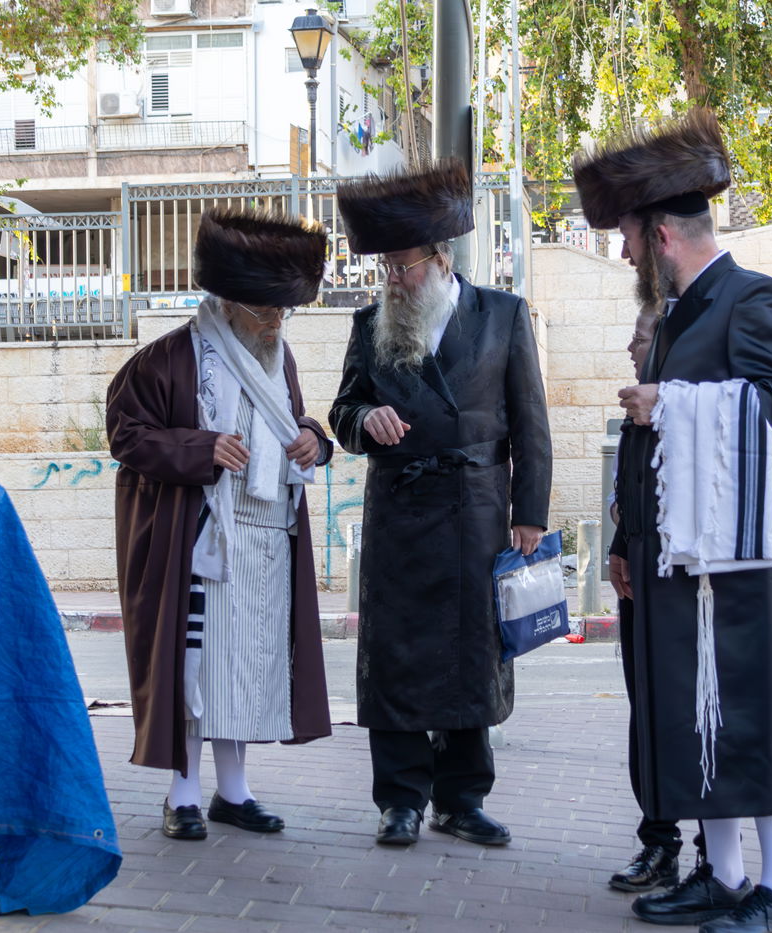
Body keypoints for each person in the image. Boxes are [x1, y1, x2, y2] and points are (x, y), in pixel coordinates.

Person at [574, 109, 772, 932]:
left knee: (753, 713)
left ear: (665, 233)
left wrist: (667, 400)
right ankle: (726, 877)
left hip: (739, 564)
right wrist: (624, 541)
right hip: (677, 557)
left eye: (632, 238)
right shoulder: (675, 315)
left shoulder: (756, 298)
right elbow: (651, 449)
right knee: (695, 712)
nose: (627, 253)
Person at [328, 159, 552, 848]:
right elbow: (342, 409)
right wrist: (364, 421)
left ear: (441, 257)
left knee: (468, 652)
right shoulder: (371, 324)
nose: (394, 280)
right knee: (395, 655)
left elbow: (531, 423)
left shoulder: (503, 316)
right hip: (398, 509)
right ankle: (400, 798)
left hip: (477, 509)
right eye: (387, 270)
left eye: (404, 267)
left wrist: (530, 513)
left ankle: (461, 796)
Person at [107, 209, 332, 841]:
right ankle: (183, 794)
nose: (277, 322)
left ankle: (234, 792)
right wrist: (201, 450)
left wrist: (315, 439)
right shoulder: (165, 359)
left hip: (265, 541)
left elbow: (294, 422)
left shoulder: (276, 356)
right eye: (267, 310)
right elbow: (127, 435)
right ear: (229, 300)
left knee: (246, 669)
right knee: (195, 669)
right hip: (200, 540)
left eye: (283, 311)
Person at [608, 311, 698, 894]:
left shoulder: (690, 411)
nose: (631, 345)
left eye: (640, 336)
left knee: (688, 715)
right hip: (639, 579)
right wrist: (618, 547)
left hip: (686, 588)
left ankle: (717, 851)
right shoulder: (637, 416)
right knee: (646, 712)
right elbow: (628, 489)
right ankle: (658, 841)